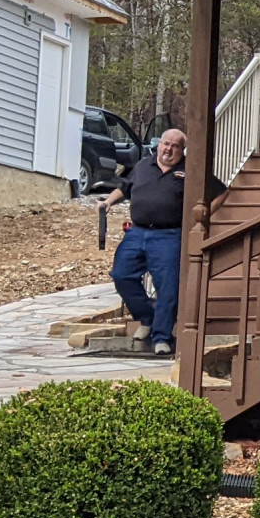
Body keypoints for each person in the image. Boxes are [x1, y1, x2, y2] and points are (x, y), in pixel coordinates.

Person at [102, 128, 225, 356]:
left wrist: (203, 215)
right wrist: (108, 202)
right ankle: (147, 318)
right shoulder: (142, 166)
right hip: (137, 232)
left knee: (168, 287)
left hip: (169, 235)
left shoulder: (190, 169)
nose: (168, 149)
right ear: (159, 145)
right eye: (165, 144)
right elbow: (124, 187)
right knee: (121, 274)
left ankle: (162, 338)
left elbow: (221, 192)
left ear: (181, 149)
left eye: (175, 146)